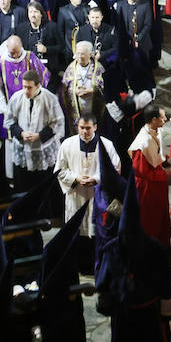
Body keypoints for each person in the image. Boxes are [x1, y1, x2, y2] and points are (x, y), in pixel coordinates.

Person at [54, 115, 120, 269]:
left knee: (97, 230)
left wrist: (96, 179)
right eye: (81, 128)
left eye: (88, 128)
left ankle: (97, 265)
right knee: (77, 230)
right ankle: (79, 265)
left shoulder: (106, 145)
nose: (84, 131)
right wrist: (76, 178)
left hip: (98, 197)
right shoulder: (67, 144)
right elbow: (59, 170)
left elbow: (115, 169)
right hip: (76, 195)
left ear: (95, 127)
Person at [4, 69, 65, 192]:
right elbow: (10, 121)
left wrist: (39, 135)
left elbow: (57, 123)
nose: (26, 91)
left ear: (38, 86)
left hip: (43, 148)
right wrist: (21, 133)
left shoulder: (49, 98)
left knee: (44, 188)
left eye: (29, 87)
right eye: (24, 86)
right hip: (23, 147)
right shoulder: (17, 98)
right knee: (24, 186)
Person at [127, 105, 171, 245]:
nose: (165, 119)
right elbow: (141, 171)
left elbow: (157, 155)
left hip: (157, 184)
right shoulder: (143, 142)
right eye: (162, 117)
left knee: (161, 217)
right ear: (154, 119)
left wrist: (165, 161)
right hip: (148, 188)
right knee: (150, 220)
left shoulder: (155, 131)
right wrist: (163, 175)